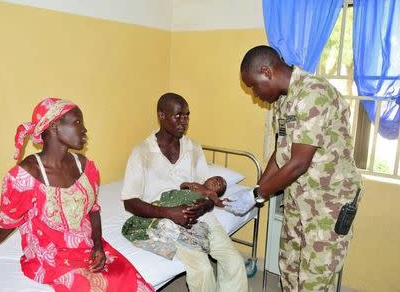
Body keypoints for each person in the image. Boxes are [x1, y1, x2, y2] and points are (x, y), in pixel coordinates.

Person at [0, 98, 154, 292]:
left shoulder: (86, 167)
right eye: (77, 122)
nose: (84, 129)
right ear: (55, 126)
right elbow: (8, 222)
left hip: (87, 244)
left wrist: (98, 246)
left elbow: (93, 209)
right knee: (89, 286)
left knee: (127, 280)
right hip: (50, 254)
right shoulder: (25, 176)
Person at [227, 45, 362, 291]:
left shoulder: (313, 93)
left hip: (328, 205)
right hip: (299, 199)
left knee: (313, 281)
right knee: (289, 269)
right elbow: (281, 153)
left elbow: (299, 163)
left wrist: (257, 195)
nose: (255, 95)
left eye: (254, 86)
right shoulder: (284, 101)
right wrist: (256, 190)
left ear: (267, 72)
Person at [121, 92, 248, 292]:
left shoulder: (194, 148)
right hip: (166, 219)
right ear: (161, 116)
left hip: (199, 214)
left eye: (187, 116)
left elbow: (205, 189)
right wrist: (170, 213)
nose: (184, 121)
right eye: (178, 116)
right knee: (203, 270)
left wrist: (204, 205)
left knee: (234, 261)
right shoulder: (142, 152)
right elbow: (129, 201)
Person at [121, 176, 227, 259]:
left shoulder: (210, 193)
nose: (216, 182)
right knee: (164, 208)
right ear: (208, 179)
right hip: (175, 198)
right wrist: (187, 185)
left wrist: (220, 202)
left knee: (178, 217)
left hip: (186, 202)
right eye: (216, 179)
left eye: (219, 184)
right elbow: (182, 186)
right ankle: (160, 228)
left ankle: (163, 235)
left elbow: (215, 200)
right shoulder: (196, 184)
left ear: (217, 192)